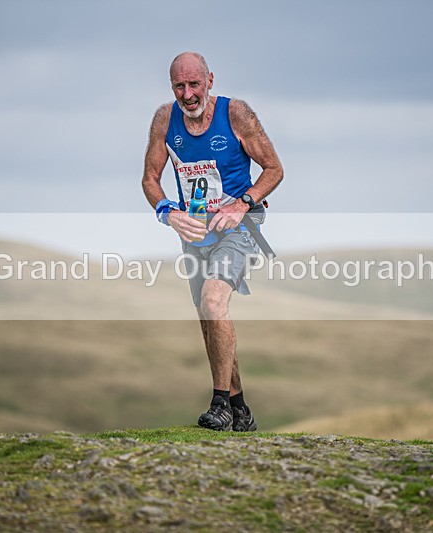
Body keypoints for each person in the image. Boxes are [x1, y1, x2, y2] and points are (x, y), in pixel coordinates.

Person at [142, 52, 284, 431]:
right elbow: (150, 179)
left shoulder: (235, 114)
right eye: (179, 86)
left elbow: (274, 169)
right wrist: (168, 212)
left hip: (240, 227)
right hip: (196, 231)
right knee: (210, 317)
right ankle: (240, 409)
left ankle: (219, 403)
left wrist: (244, 203)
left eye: (194, 84)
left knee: (213, 299)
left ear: (210, 80)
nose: (188, 94)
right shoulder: (163, 120)